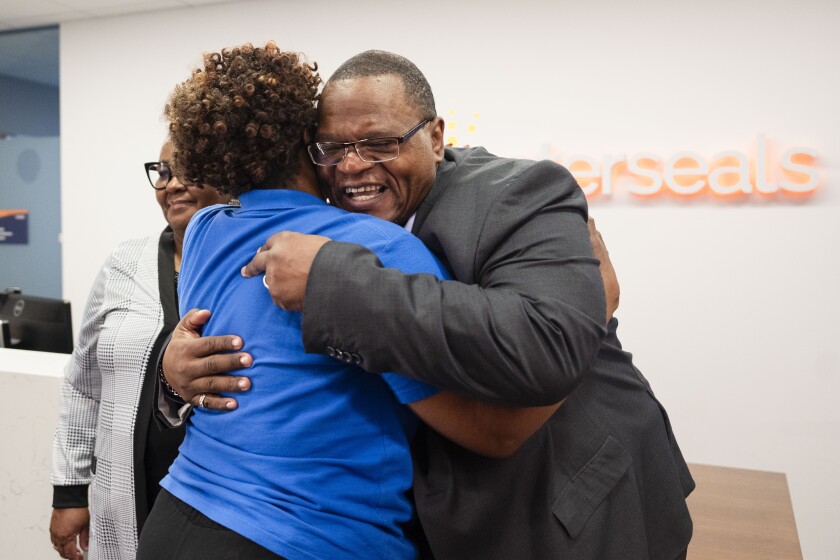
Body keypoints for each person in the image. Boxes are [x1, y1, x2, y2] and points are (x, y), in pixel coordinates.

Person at [162, 51, 695, 559]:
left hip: (573, 506)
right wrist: (171, 371)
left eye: (379, 143)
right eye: (331, 148)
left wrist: (330, 283)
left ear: (436, 137)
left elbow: (541, 357)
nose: (351, 166)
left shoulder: (518, 193)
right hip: (422, 513)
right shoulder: (326, 229)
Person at [49, 140, 230, 560]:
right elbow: (83, 383)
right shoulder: (125, 263)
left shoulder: (254, 261)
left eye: (188, 169)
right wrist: (70, 492)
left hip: (219, 507)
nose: (172, 185)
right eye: (163, 171)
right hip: (126, 498)